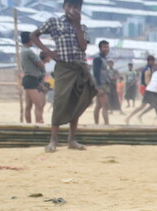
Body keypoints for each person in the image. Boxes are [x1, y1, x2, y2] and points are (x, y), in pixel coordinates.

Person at [30, 0, 97, 152]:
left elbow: (83, 47)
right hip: (63, 68)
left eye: (77, 7)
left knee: (77, 102)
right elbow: (33, 35)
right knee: (60, 101)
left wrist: (78, 25)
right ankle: (53, 140)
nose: (73, 10)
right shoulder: (53, 22)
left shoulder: (82, 27)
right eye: (70, 6)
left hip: (80, 68)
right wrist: (48, 52)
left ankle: (71, 139)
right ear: (64, 7)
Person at [20, 32, 47, 124]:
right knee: (38, 105)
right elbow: (40, 63)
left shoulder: (23, 50)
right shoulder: (28, 52)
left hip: (28, 79)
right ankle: (39, 124)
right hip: (32, 79)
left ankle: (28, 124)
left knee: (28, 105)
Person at [92, 40, 110, 125]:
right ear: (100, 48)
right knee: (104, 105)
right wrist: (98, 87)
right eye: (104, 47)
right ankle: (106, 124)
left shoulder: (103, 58)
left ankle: (96, 124)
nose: (106, 49)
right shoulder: (97, 58)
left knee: (98, 106)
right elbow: (96, 73)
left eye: (107, 47)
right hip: (100, 85)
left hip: (103, 83)